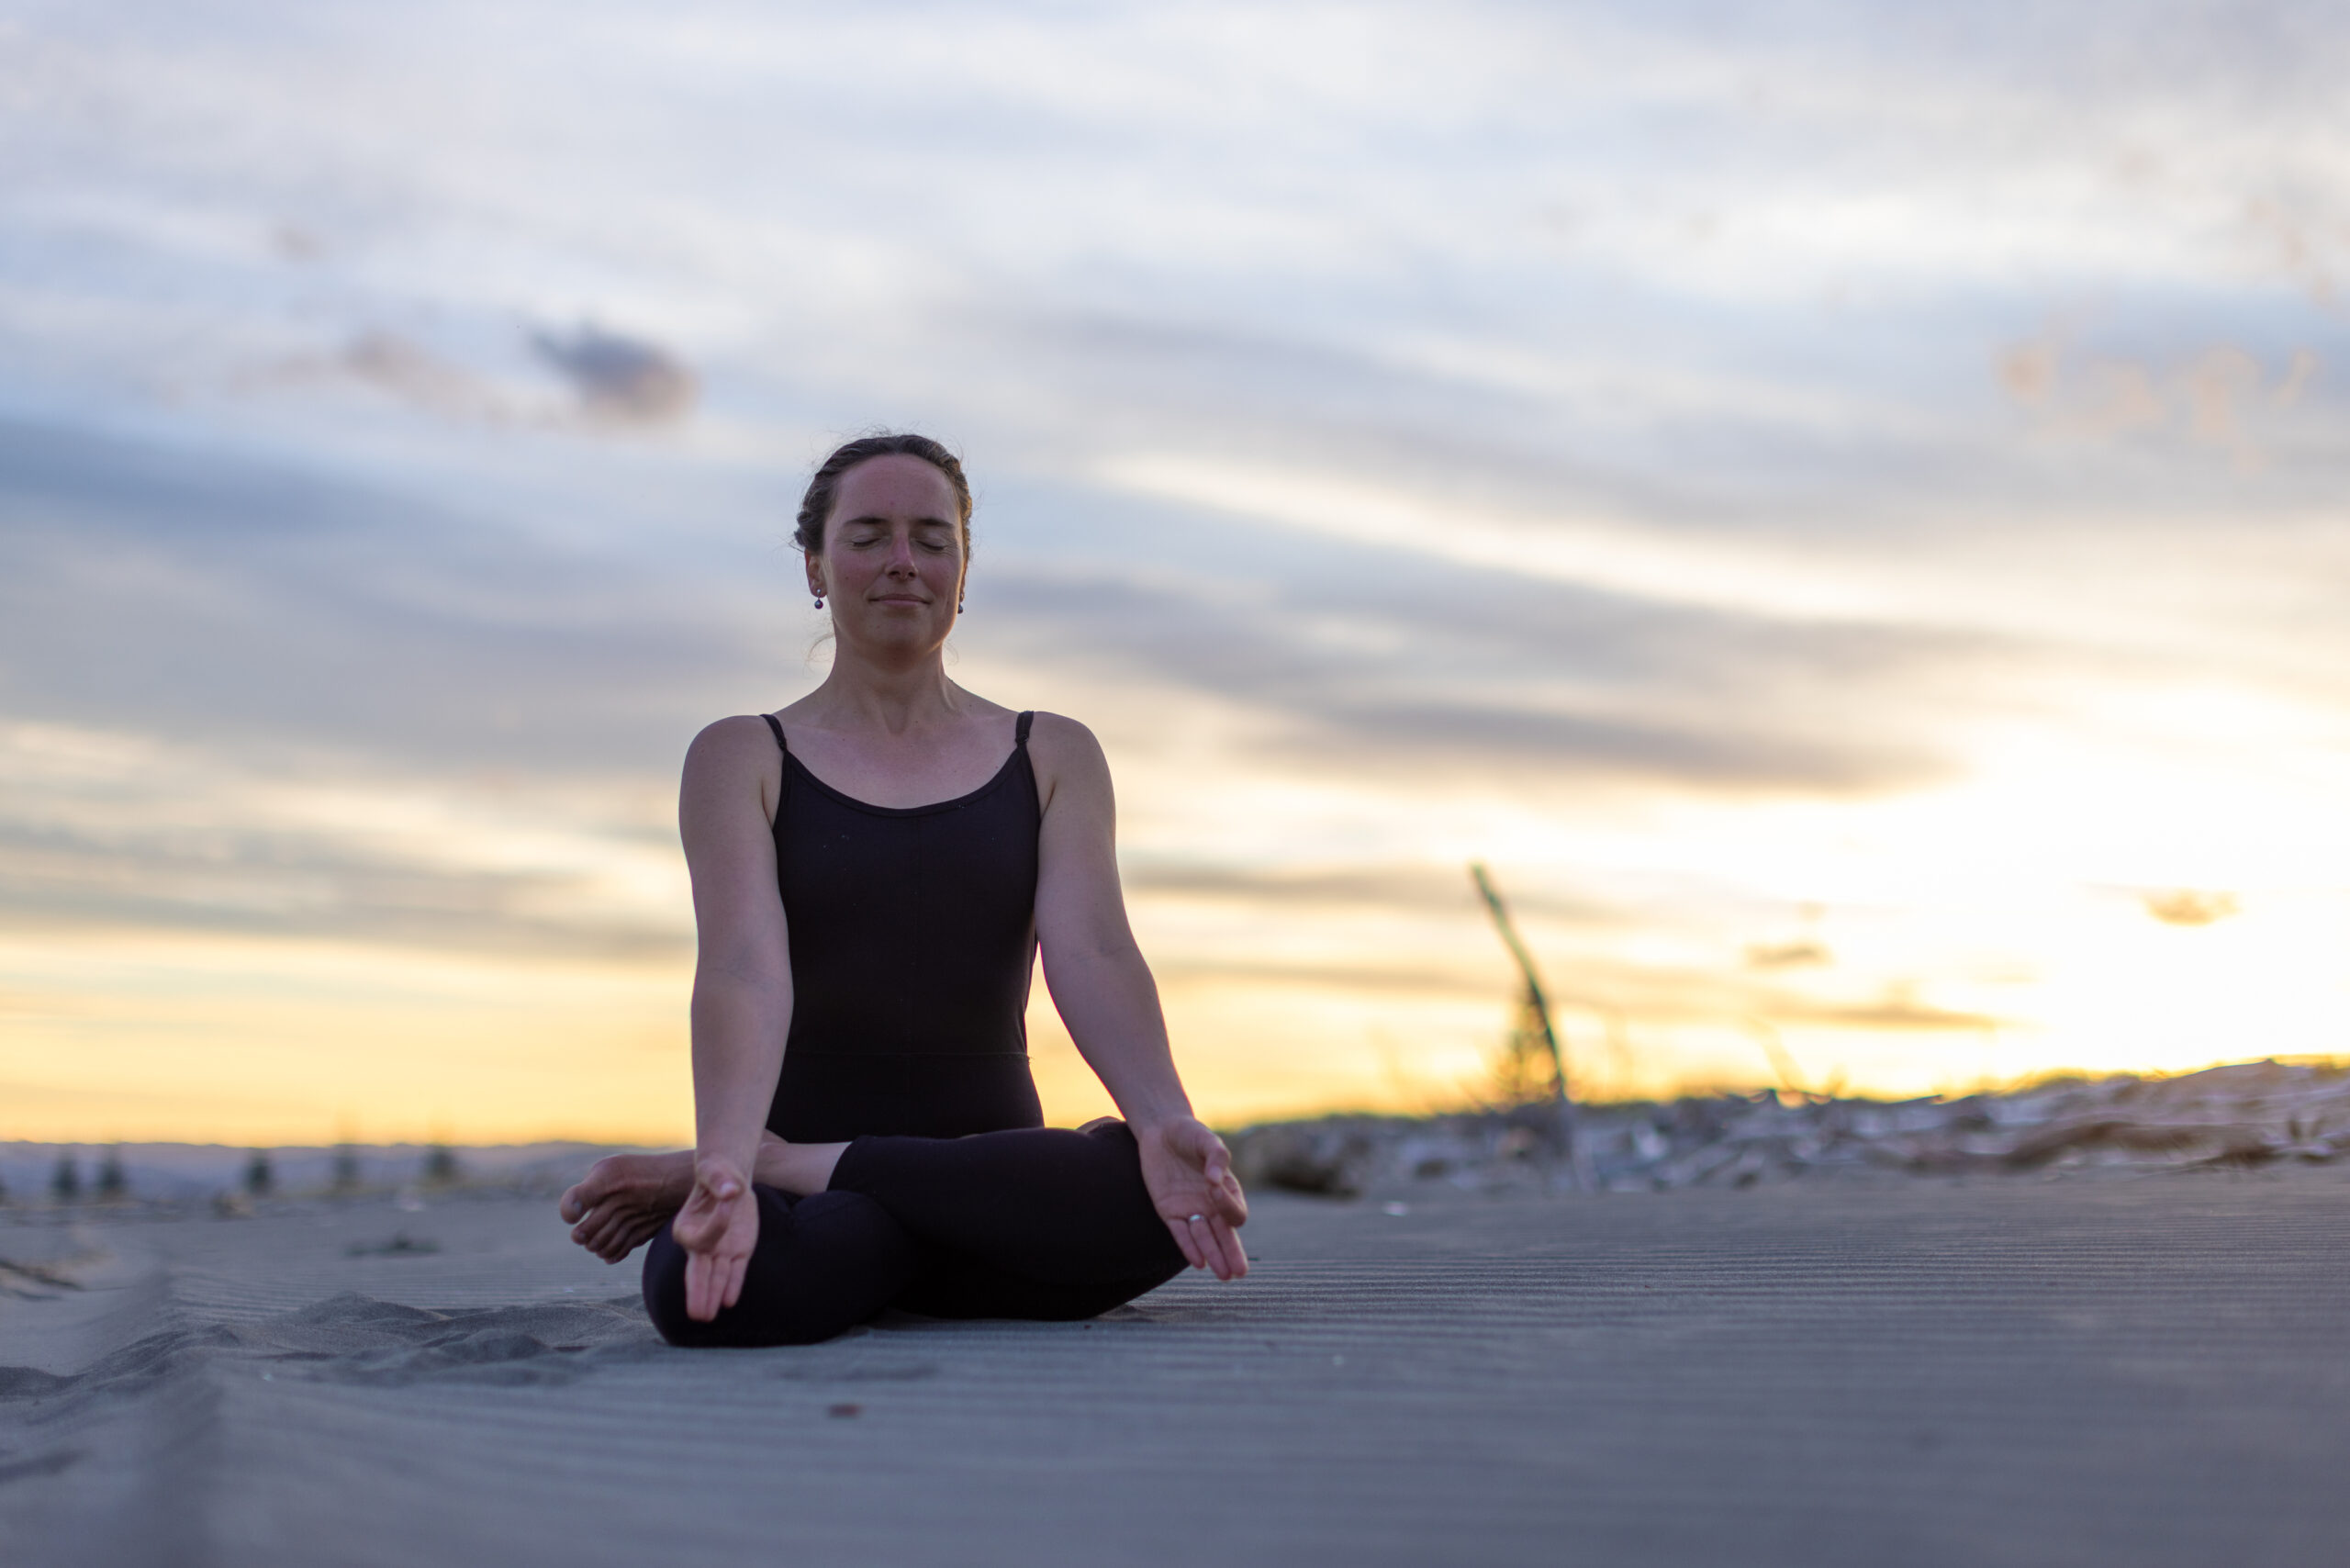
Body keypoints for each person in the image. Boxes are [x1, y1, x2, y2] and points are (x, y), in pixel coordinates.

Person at [557, 432, 1249, 1346]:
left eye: (931, 538)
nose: (901, 562)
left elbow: (1094, 949)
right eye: (868, 534)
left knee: (1156, 1188)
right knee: (707, 1286)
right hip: (826, 1207)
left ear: (963, 571)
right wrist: (729, 1166)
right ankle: (817, 1202)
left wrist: (1164, 1116)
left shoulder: (1051, 752)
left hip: (1001, 1180)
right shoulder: (740, 755)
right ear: (815, 563)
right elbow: (741, 969)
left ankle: (826, 1203)